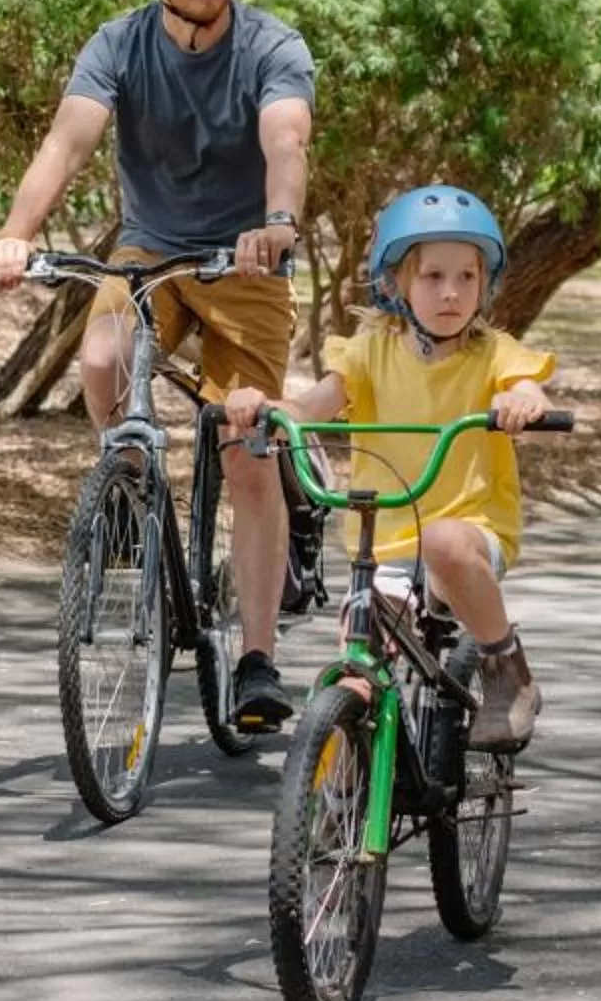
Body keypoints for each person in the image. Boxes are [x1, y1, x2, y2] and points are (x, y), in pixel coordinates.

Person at [0, 0, 315, 731]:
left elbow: (287, 138)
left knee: (244, 446)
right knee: (101, 359)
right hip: (150, 249)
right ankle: (131, 498)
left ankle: (256, 661)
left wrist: (278, 223)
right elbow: (68, 139)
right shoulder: (119, 45)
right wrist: (17, 235)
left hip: (246, 257)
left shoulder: (272, 45)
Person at [223, 187, 557, 751]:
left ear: (484, 284)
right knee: (362, 666)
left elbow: (529, 387)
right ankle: (335, 799)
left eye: (466, 278)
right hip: (385, 542)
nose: (451, 292)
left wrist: (523, 404)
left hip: (470, 532)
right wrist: (273, 410)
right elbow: (313, 406)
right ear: (397, 283)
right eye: (432, 277)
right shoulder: (370, 350)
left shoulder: (493, 352)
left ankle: (508, 671)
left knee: (446, 546)